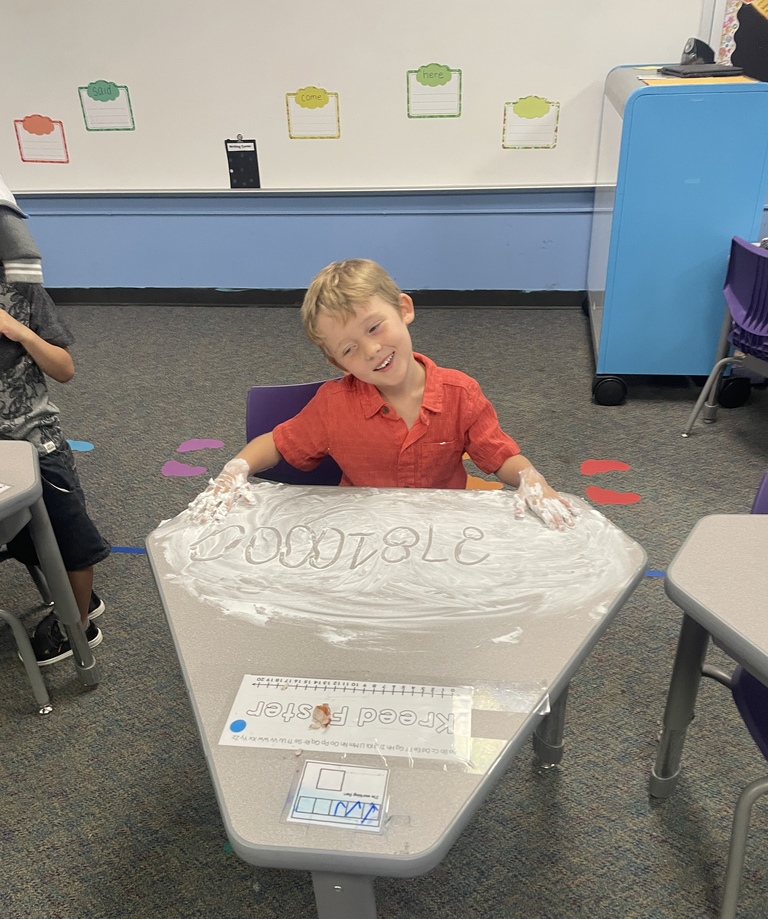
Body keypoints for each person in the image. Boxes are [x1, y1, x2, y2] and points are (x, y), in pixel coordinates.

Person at [188, 258, 576, 529]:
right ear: (338, 364)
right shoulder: (333, 406)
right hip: (363, 530)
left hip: (442, 528)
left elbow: (499, 454)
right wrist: (233, 472)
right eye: (349, 349)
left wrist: (532, 479)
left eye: (375, 328)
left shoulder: (461, 393)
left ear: (404, 308)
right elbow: (276, 443)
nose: (371, 351)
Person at [0, 274, 109, 665]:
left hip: (33, 442)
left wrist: (19, 332)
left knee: (70, 543)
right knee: (23, 540)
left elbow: (64, 369)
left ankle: (77, 625)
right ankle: (72, 595)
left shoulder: (21, 290)